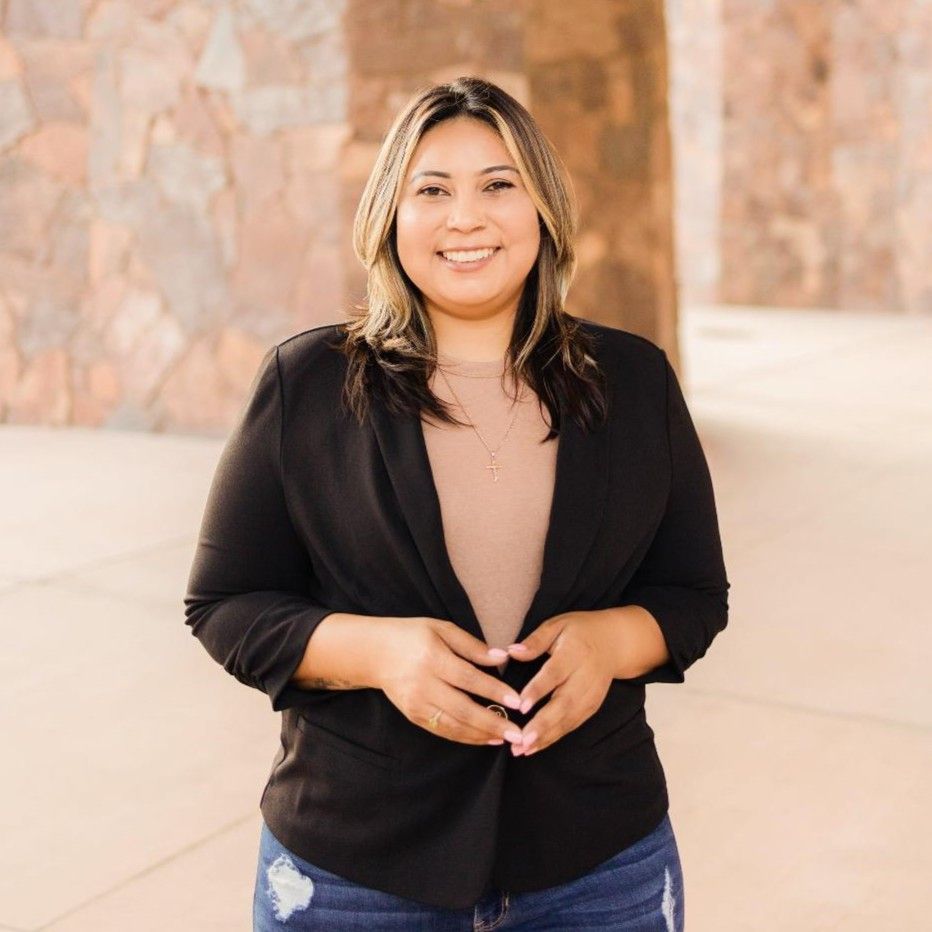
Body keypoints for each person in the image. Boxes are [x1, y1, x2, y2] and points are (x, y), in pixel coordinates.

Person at [184, 76, 729, 931]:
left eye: (498, 185)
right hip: (356, 866)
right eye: (431, 190)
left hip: (599, 862)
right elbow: (224, 605)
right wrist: (377, 655)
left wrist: (608, 642)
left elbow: (694, 595)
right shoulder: (308, 383)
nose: (464, 217)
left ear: (542, 207)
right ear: (389, 218)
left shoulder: (635, 381)